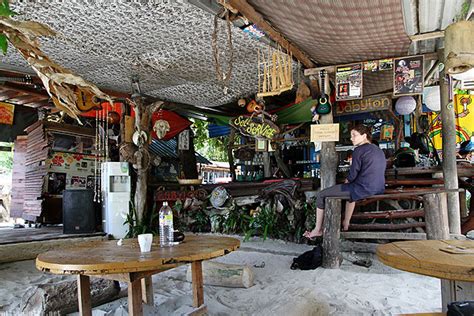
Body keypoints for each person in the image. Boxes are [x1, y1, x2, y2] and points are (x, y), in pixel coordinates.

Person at [304, 124, 386, 239]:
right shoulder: (378, 150)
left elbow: (353, 174)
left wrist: (347, 181)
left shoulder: (359, 150)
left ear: (364, 136)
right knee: (350, 193)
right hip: (378, 188)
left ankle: (317, 229)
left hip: (364, 188)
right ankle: (346, 223)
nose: (351, 138)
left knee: (321, 195)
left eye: (354, 135)